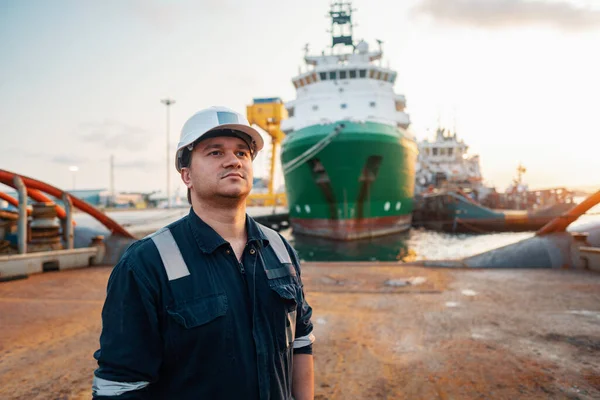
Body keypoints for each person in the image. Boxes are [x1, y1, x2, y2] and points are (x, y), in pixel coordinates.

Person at [92, 106, 315, 399]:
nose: (233, 161)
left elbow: (301, 342)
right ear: (187, 176)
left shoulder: (280, 249)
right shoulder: (146, 263)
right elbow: (120, 385)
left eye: (242, 153)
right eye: (215, 152)